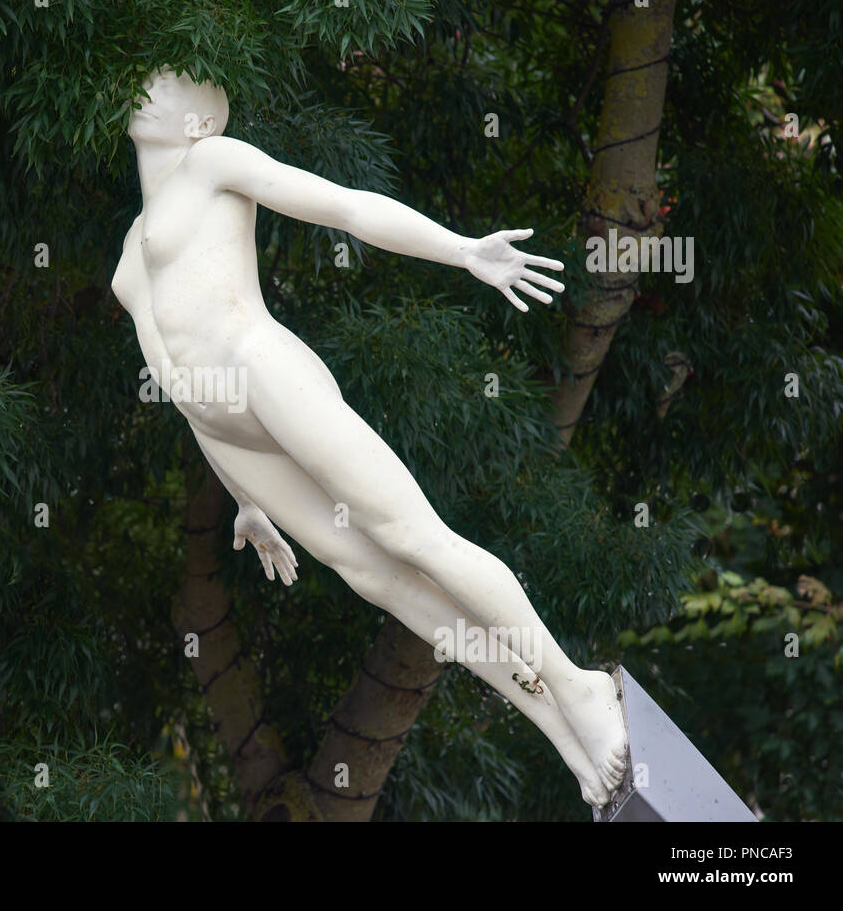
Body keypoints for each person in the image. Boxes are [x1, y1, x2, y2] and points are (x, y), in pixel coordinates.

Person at [112, 67, 626, 807]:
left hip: (262, 373)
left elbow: (345, 208)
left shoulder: (214, 162)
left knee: (415, 538)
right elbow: (172, 377)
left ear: (200, 120)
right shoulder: (133, 242)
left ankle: (579, 686)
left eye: (166, 86)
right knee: (377, 577)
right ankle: (559, 725)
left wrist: (461, 251)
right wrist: (244, 498)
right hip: (226, 431)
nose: (145, 91)